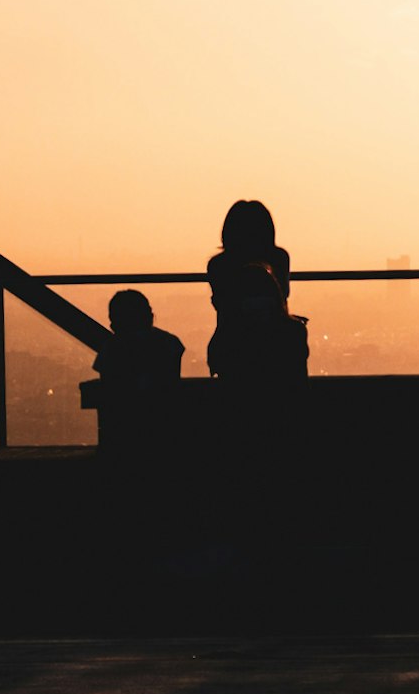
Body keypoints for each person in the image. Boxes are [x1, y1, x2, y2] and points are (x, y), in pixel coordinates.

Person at [83, 287, 190, 499]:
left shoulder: (113, 350)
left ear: (115, 322)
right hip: (164, 436)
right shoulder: (169, 344)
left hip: (121, 440)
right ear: (148, 316)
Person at [206, 198, 307, 386]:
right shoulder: (279, 258)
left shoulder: (219, 264)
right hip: (276, 339)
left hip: (232, 340)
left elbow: (221, 304)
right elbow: (283, 294)